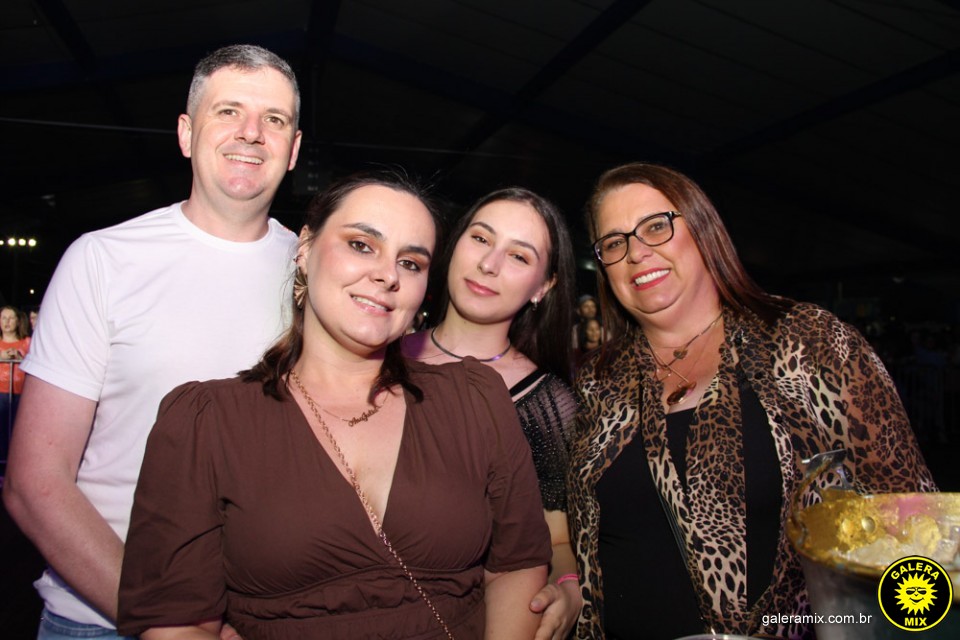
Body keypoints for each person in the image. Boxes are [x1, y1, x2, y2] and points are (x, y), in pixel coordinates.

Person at [117, 172, 551, 639]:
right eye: (362, 245)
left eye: (410, 262)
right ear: (305, 249)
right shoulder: (207, 421)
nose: (387, 275)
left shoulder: (474, 399)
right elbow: (177, 623)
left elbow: (517, 566)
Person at [2, 44, 303, 639]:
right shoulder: (103, 259)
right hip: (101, 618)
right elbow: (35, 483)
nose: (251, 132)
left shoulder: (317, 276)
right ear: (187, 134)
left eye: (274, 119)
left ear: (293, 150)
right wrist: (170, 621)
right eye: (229, 111)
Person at [567, 162, 937, 639]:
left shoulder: (807, 341)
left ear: (702, 229)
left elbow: (913, 523)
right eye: (614, 243)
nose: (636, 252)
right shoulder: (598, 380)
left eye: (656, 226)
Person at [403, 187, 580, 640]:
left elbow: (557, 538)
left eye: (519, 256)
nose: (489, 264)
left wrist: (569, 587)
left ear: (543, 287)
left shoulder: (546, 402)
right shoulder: (373, 355)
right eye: (481, 239)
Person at [0, 305, 31, 462]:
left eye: (11, 318)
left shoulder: (27, 343)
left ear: (18, 321)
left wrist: (21, 357)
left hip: (20, 394)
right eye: (3, 318)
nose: (7, 322)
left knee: (17, 432)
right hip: (1, 393)